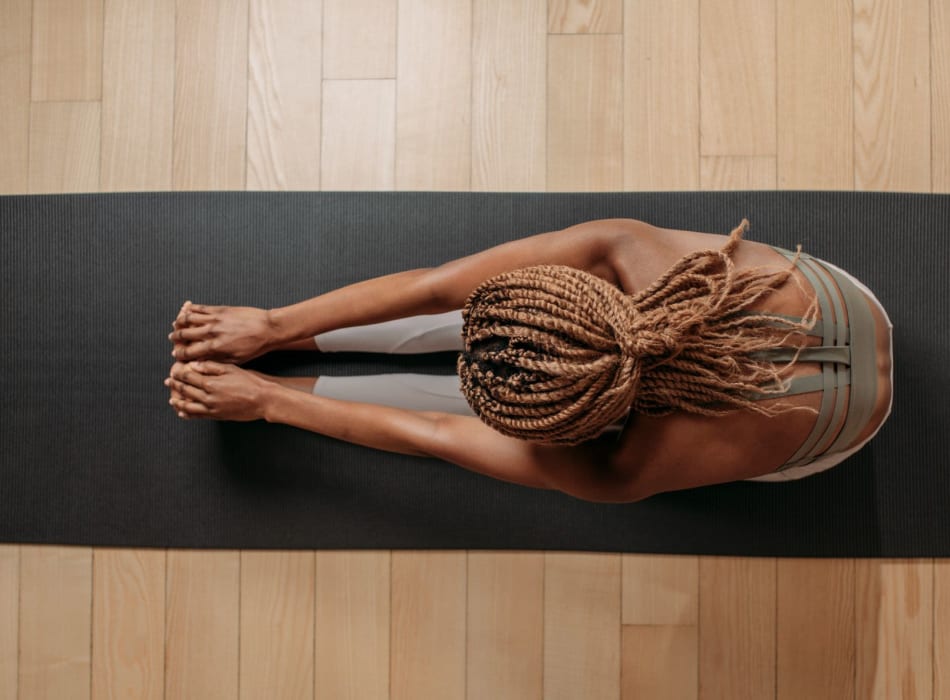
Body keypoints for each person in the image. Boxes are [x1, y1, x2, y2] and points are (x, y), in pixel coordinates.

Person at [164, 218, 893, 503]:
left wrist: (271, 400)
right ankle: (288, 344)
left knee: (473, 397)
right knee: (478, 328)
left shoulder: (634, 463)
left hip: (840, 428)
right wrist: (274, 324)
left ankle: (554, 385)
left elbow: (440, 434)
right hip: (844, 303)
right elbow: (438, 290)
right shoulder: (627, 250)